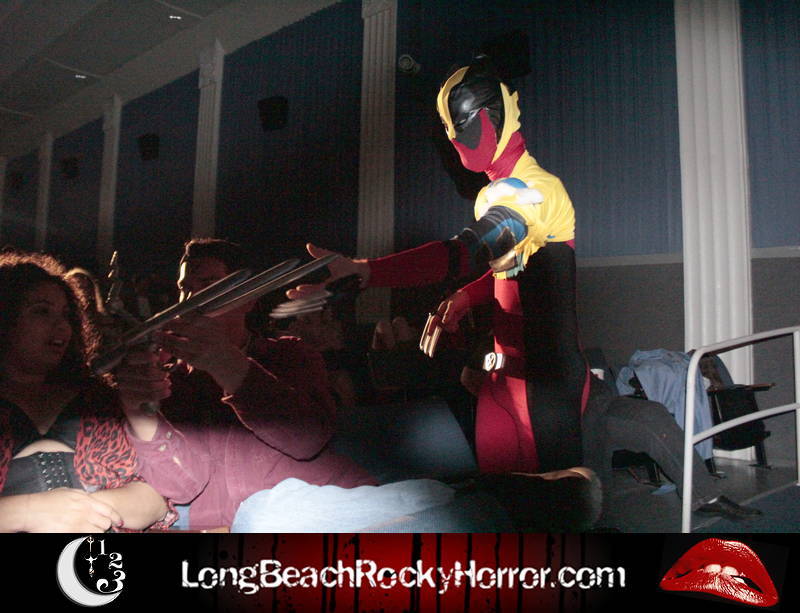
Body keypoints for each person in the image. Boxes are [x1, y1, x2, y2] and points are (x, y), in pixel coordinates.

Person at [117, 238, 601, 532]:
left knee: (264, 517)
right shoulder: (172, 383)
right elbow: (180, 484)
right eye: (185, 288)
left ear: (246, 297)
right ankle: (493, 500)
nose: (190, 299)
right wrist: (140, 406)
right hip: (253, 528)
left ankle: (504, 502)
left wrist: (225, 363)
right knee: (258, 519)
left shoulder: (287, 354)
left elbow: (306, 437)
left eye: (207, 285)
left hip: (323, 509)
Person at [287, 56, 588, 474]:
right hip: (503, 375)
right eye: (448, 127)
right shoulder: (494, 193)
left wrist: (369, 271)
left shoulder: (536, 191)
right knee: (499, 497)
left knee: (555, 496)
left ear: (493, 115)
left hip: (545, 382)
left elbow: (466, 251)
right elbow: (512, 268)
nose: (455, 138)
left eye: (460, 123)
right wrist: (465, 297)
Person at [0, 250, 173, 532]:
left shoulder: (96, 398)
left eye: (66, 315)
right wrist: (28, 510)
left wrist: (79, 510)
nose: (61, 326)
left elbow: (155, 498)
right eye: (42, 311)